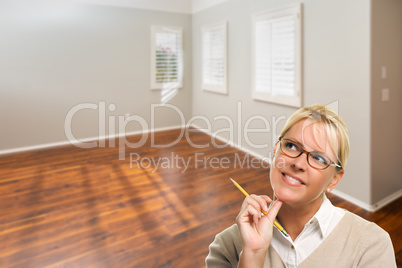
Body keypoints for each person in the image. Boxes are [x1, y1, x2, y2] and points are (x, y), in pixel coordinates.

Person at [206, 104, 396, 268]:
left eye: (318, 158)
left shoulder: (371, 245)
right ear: (275, 152)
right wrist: (253, 257)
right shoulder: (226, 246)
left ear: (334, 180)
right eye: (291, 146)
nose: (298, 164)